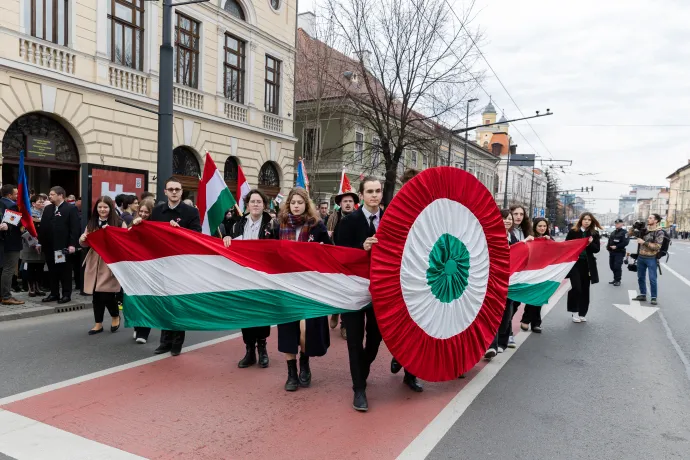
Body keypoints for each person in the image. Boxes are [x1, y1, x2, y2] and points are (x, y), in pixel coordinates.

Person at [335, 177, 422, 412]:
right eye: (369, 191)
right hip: (354, 290)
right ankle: (359, 390)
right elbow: (339, 256)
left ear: (382, 194)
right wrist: (360, 249)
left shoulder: (391, 221)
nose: (374, 195)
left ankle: (362, 371)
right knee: (354, 340)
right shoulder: (349, 221)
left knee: (375, 338)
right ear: (361, 196)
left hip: (382, 292)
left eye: (377, 191)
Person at [132, 177, 201, 355]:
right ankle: (165, 341)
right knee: (163, 302)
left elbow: (197, 236)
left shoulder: (190, 212)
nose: (174, 192)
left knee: (177, 304)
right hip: (161, 264)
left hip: (181, 265)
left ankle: (177, 342)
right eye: (170, 189)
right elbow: (148, 234)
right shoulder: (157, 211)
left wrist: (180, 230)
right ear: (165, 191)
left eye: (177, 189)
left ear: (181, 191)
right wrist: (139, 224)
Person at [271, 187, 331, 391]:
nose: (296, 206)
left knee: (306, 329)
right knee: (288, 329)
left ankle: (304, 365)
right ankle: (291, 373)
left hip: (309, 286)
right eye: (293, 203)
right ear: (288, 204)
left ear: (306, 204)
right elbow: (266, 251)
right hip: (286, 286)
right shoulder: (279, 226)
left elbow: (330, 252)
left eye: (300, 202)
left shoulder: (317, 226)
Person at [222, 189, 274, 369]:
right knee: (246, 313)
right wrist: (228, 237)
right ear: (247, 204)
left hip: (263, 277)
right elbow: (229, 242)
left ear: (264, 205)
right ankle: (249, 350)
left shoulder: (272, 225)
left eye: (259, 201)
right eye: (252, 201)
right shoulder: (237, 223)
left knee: (261, 313)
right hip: (243, 277)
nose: (256, 204)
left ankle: (263, 349)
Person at [79, 196, 127, 335]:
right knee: (96, 295)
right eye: (100, 207)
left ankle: (115, 315)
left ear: (110, 208)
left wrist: (111, 234)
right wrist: (82, 239)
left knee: (106, 294)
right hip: (94, 261)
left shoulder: (118, 222)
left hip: (110, 262)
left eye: (105, 207)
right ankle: (98, 323)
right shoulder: (92, 222)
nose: (102, 210)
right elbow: (84, 242)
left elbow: (124, 242)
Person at [485, 209, 520, 360]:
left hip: (510, 282)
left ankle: (502, 342)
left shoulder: (513, 237)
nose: (507, 220)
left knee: (507, 314)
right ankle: (491, 345)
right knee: (493, 313)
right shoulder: (492, 236)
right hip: (493, 281)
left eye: (509, 218)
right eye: (504, 218)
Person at [38, 186, 81, 304]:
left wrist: (72, 244)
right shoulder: (48, 209)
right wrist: (39, 242)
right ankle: (54, 293)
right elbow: (43, 227)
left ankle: (66, 294)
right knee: (52, 271)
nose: (50, 196)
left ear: (60, 195)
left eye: (52, 194)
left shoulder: (70, 209)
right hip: (49, 246)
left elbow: (75, 228)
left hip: (62, 247)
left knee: (64, 271)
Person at [326, 189, 359, 339]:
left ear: (354, 204)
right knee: (337, 291)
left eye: (350, 201)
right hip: (336, 262)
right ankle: (335, 311)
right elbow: (328, 240)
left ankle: (345, 325)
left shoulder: (359, 219)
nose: (347, 204)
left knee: (349, 294)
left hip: (353, 263)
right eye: (345, 201)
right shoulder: (333, 219)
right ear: (340, 204)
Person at [505, 204, 533, 349]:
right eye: (515, 214)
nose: (518, 217)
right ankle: (507, 333)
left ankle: (505, 331)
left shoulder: (526, 230)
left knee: (516, 304)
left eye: (521, 214)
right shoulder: (507, 231)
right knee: (508, 304)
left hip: (522, 272)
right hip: (509, 273)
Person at [566, 212, 601, 323]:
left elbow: (597, 249)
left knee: (585, 289)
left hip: (587, 265)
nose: (587, 221)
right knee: (577, 288)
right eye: (585, 219)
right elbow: (566, 246)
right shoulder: (573, 232)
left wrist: (590, 243)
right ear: (581, 220)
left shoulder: (594, 233)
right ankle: (574, 311)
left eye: (589, 220)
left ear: (592, 221)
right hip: (575, 264)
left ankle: (582, 313)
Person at [520, 218, 551, 333]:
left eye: (544, 226)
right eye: (540, 226)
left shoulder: (549, 239)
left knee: (540, 298)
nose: (542, 228)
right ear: (535, 227)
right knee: (532, 297)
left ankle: (535, 323)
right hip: (531, 272)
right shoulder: (531, 238)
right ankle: (527, 320)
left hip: (544, 273)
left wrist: (549, 241)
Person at [131, 197, 156, 344]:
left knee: (146, 300)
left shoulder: (154, 226)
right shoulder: (133, 223)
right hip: (134, 268)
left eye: (146, 212)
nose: (143, 214)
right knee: (135, 299)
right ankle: (137, 325)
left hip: (150, 269)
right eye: (141, 211)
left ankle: (144, 332)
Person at [0, 185, 25, 305]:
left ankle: (3, 294)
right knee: (9, 269)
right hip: (11, 242)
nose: (17, 196)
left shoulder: (1, 203)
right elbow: (11, 224)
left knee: (4, 269)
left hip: (3, 243)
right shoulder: (12, 205)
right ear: (9, 195)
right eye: (16, 194)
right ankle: (6, 296)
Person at [633, 213, 664, 305]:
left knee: (652, 279)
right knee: (640, 277)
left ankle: (653, 297)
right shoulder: (644, 230)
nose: (648, 219)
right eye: (648, 217)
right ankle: (643, 294)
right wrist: (635, 226)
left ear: (656, 221)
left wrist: (644, 242)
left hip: (651, 258)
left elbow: (657, 246)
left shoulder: (659, 232)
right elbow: (630, 234)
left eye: (650, 218)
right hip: (641, 257)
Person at [20, 195, 46, 298]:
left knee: (40, 267)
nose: (42, 203)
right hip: (29, 244)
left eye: (43, 202)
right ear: (33, 203)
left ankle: (38, 287)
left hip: (42, 243)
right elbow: (24, 230)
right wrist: (34, 243)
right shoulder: (28, 214)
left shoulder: (46, 213)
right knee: (31, 267)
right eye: (40, 202)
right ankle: (31, 288)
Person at [607, 219, 629, 287]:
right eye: (616, 223)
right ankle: (615, 279)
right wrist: (608, 248)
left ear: (622, 224)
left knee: (617, 266)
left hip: (619, 252)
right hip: (612, 252)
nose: (617, 224)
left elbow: (625, 242)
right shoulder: (613, 232)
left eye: (618, 223)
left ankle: (618, 280)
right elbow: (610, 240)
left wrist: (616, 246)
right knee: (612, 266)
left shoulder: (624, 232)